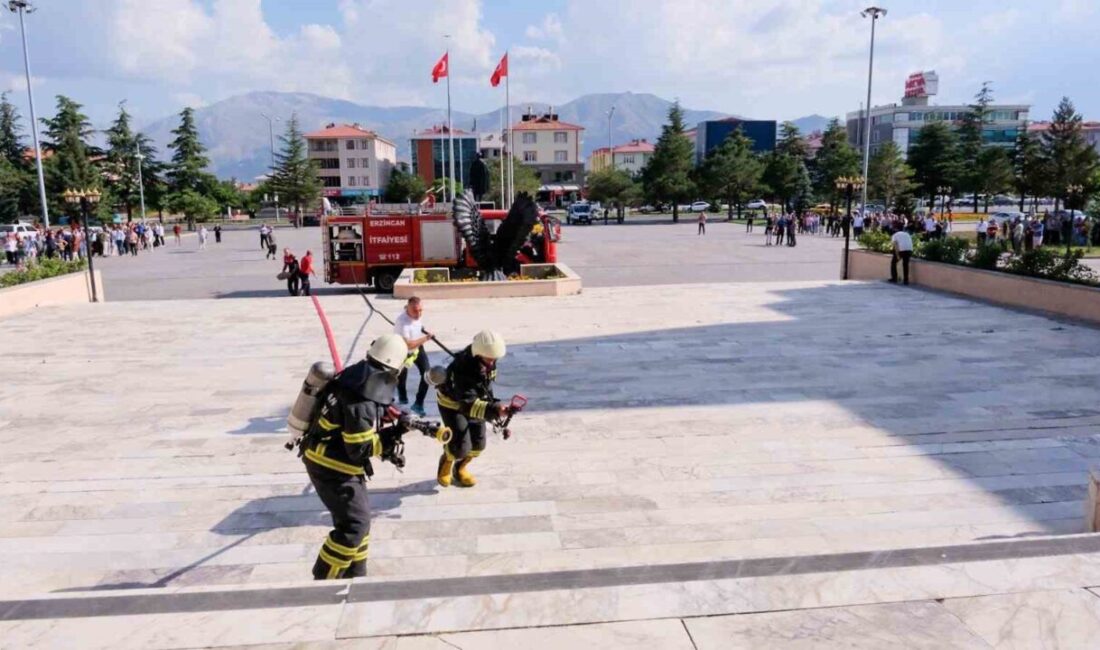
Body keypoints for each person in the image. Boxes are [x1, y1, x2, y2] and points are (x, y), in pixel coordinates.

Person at [299, 333, 409, 580]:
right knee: (354, 526)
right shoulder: (361, 403)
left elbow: (365, 406)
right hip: (332, 467)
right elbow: (359, 448)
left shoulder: (356, 376)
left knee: (359, 522)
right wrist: (391, 438)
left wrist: (390, 414)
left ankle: (355, 573)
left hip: (332, 459)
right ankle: (325, 578)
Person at [436, 330, 507, 488]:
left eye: (494, 358)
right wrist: (494, 409)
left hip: (476, 402)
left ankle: (459, 468)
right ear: (479, 354)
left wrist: (494, 405)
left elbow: (486, 385)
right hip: (453, 405)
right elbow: (468, 405)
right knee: (460, 445)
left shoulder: (488, 358)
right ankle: (447, 460)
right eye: (490, 358)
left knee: (478, 444)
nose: (493, 361)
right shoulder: (462, 369)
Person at [394, 297, 433, 416]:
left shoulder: (417, 316)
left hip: (418, 348)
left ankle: (418, 403)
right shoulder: (402, 322)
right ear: (408, 308)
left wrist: (421, 330)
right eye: (415, 311)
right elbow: (409, 345)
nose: (419, 314)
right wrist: (426, 338)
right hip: (403, 350)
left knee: (427, 374)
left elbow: (417, 327)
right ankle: (402, 396)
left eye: (421, 310)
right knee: (402, 376)